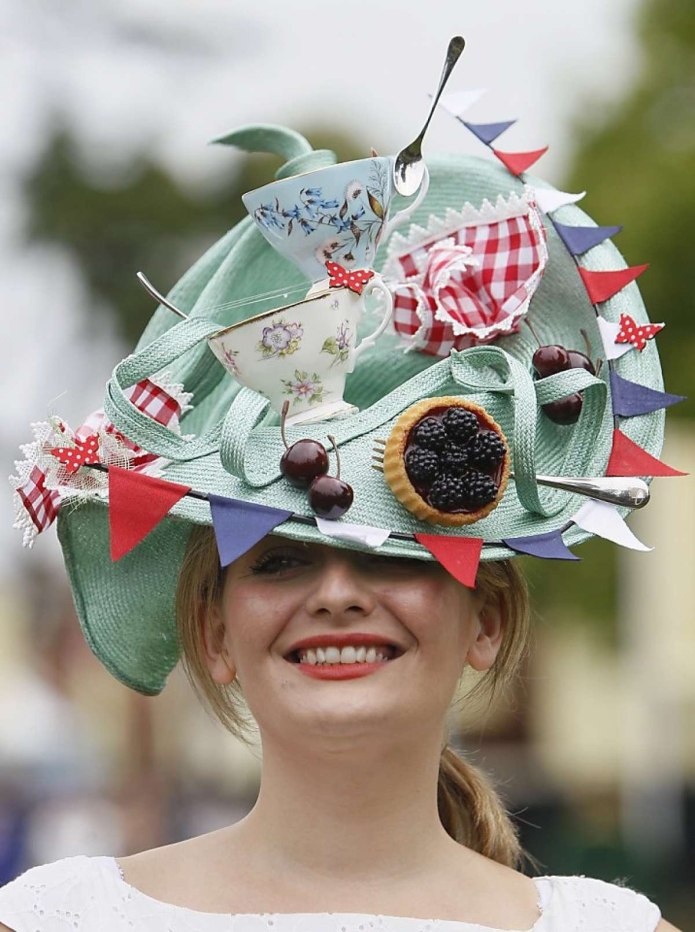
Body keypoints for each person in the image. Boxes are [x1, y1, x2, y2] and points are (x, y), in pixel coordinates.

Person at [3, 112, 684, 930]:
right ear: (214, 632)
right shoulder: (62, 917)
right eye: (278, 559)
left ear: (488, 621)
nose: (336, 592)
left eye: (399, 555)